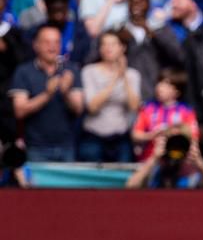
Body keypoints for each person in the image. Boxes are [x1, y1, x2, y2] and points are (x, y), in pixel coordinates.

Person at [8, 24, 83, 162]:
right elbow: (19, 111)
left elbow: (78, 109)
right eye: (47, 42)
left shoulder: (70, 71)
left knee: (68, 184)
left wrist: (66, 93)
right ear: (36, 45)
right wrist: (47, 94)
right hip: (36, 147)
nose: (52, 47)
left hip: (67, 145)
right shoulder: (24, 71)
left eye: (56, 42)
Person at [79, 30, 141, 163]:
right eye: (104, 44)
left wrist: (124, 75)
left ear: (122, 48)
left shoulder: (133, 75)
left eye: (113, 44)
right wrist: (115, 78)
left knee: (122, 180)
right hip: (93, 137)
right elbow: (92, 107)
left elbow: (134, 106)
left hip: (121, 138)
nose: (108, 48)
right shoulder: (89, 71)